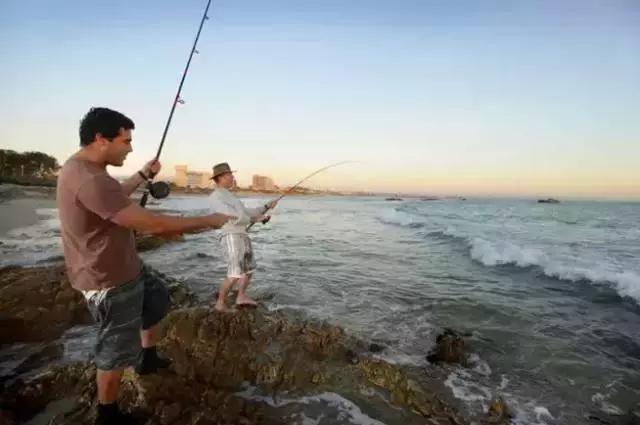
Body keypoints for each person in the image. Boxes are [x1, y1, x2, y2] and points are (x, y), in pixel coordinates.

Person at [56, 107, 234, 425]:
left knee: (157, 299)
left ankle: (147, 358)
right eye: (126, 141)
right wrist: (207, 220)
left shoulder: (89, 171)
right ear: (101, 139)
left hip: (126, 266)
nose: (131, 147)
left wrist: (141, 176)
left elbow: (113, 198)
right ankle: (107, 414)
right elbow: (153, 225)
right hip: (107, 278)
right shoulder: (87, 178)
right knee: (115, 350)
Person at [207, 162, 277, 312]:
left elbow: (246, 212)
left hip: (242, 235)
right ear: (220, 177)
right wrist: (254, 220)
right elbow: (228, 215)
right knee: (234, 273)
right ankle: (220, 303)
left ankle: (241, 296)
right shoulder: (216, 196)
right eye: (230, 175)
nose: (233, 177)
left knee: (249, 269)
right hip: (231, 236)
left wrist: (265, 207)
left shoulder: (229, 195)